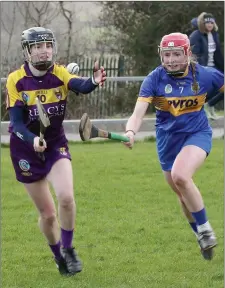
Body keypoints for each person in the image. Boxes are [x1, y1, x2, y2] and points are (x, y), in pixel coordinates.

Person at [6, 27, 106, 276]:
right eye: (38, 47)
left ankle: (69, 248)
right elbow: (16, 124)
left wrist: (94, 81)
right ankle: (58, 255)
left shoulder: (59, 73)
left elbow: (80, 86)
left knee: (66, 198)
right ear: (28, 51)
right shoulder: (16, 79)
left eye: (47, 45)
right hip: (25, 151)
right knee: (48, 216)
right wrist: (31, 140)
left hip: (54, 145)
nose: (44, 51)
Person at [123, 32, 224, 260]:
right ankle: (200, 236)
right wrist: (131, 131)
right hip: (168, 141)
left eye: (176, 54)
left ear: (187, 53)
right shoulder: (154, 79)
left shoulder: (204, 75)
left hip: (197, 134)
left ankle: (206, 229)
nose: (170, 60)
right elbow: (138, 113)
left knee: (181, 176)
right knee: (181, 194)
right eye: (166, 55)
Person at [189, 12, 224, 119]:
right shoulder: (196, 35)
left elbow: (218, 53)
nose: (209, 25)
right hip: (203, 68)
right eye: (207, 22)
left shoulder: (214, 35)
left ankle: (210, 104)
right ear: (202, 23)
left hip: (215, 68)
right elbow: (193, 53)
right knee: (204, 90)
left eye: (211, 23)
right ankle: (202, 110)